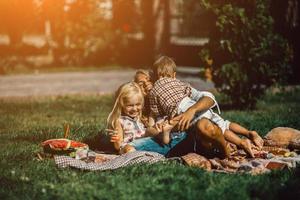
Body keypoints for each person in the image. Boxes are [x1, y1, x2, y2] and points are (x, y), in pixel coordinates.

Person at [149, 56, 264, 157]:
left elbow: (157, 112)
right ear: (174, 75)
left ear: (155, 77)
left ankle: (230, 149)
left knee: (208, 127)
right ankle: (243, 140)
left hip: (183, 112)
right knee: (223, 125)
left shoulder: (154, 91)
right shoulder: (180, 83)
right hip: (194, 105)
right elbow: (195, 93)